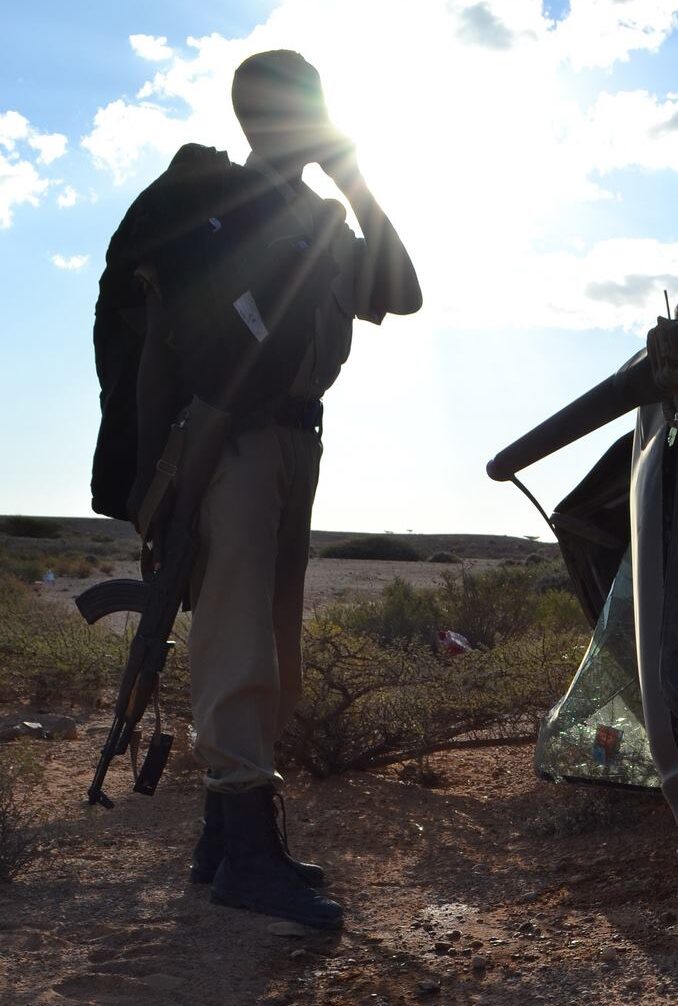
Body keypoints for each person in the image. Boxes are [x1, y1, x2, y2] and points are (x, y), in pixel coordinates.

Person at [153, 50, 421, 929]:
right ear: (259, 117)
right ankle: (246, 857)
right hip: (230, 439)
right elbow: (201, 335)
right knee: (235, 638)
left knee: (270, 644)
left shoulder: (320, 216)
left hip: (292, 440)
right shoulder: (216, 207)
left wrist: (355, 181)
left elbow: (402, 292)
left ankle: (224, 845)